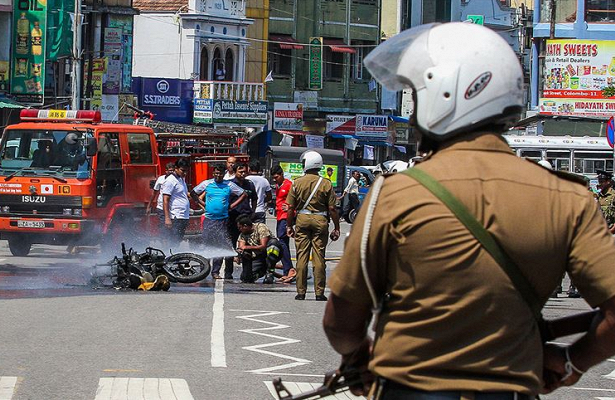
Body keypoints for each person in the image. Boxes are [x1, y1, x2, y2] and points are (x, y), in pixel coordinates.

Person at [322, 22, 615, 399]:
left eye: (418, 94)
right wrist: (574, 361)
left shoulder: (393, 196)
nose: (412, 118)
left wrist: (360, 357)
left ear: (446, 95)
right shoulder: (568, 198)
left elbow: (340, 323)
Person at [286, 150, 340, 301]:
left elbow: (290, 208)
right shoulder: (326, 183)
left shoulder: (297, 183)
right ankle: (319, 292)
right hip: (320, 220)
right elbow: (332, 209)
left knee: (301, 255)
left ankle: (301, 292)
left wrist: (289, 225)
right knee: (319, 257)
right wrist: (337, 227)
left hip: (302, 219)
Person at [191, 164, 246, 280]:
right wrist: (202, 203)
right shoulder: (207, 183)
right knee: (206, 245)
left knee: (219, 245)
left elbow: (243, 194)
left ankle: (215, 272)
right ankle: (203, 270)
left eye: (220, 173)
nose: (218, 175)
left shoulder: (229, 185)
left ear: (223, 173)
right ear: (213, 173)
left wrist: (231, 206)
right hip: (209, 219)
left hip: (223, 220)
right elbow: (193, 193)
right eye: (216, 173)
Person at [223, 162, 257, 280]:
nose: (243, 174)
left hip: (246, 217)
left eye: (244, 172)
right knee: (230, 245)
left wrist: (252, 211)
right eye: (240, 171)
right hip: (233, 218)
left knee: (247, 245)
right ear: (235, 171)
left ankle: (247, 274)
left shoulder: (249, 184)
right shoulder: (230, 184)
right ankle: (228, 272)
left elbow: (254, 199)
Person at [235, 214, 282, 284]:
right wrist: (239, 254)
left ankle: (270, 272)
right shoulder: (242, 235)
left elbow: (263, 246)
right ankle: (261, 271)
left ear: (245, 226)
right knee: (246, 278)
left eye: (240, 227)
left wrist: (247, 247)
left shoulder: (260, 228)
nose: (239, 230)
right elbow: (241, 247)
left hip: (269, 252)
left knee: (273, 244)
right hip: (258, 257)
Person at [270, 165, 295, 283]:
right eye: (273, 178)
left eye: (276, 177)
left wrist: (291, 208)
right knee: (283, 242)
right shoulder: (278, 186)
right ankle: (287, 270)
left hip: (286, 216)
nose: (275, 179)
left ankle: (290, 269)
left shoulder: (289, 185)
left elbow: (298, 199)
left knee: (282, 242)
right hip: (280, 216)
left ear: (282, 175)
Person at [161, 158, 191, 249]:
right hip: (175, 216)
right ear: (176, 168)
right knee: (173, 241)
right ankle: (170, 260)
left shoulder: (181, 179)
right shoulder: (170, 181)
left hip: (183, 215)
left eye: (186, 171)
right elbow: (165, 200)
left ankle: (174, 259)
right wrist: (167, 218)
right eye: (182, 170)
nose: (184, 173)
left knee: (177, 241)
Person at [595, 169, 615, 234]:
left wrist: (612, 230)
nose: (599, 184)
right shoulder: (598, 196)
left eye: (602, 181)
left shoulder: (613, 196)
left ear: (608, 182)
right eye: (599, 181)